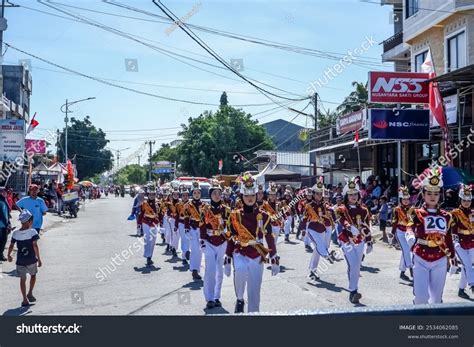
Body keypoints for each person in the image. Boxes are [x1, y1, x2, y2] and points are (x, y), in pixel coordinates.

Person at [224, 172, 278, 313]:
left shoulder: (264, 216)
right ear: (241, 196)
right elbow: (230, 236)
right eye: (246, 195)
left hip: (258, 252)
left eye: (252, 195)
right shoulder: (235, 215)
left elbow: (269, 237)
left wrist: (274, 258)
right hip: (240, 250)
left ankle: (254, 313)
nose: (249, 198)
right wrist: (227, 257)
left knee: (255, 289)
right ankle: (240, 298)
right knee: (240, 270)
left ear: (256, 196)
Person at [406, 168, 456, 304]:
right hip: (420, 256)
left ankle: (435, 324)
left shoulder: (447, 216)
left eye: (436, 193)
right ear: (423, 194)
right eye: (429, 193)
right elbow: (409, 225)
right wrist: (409, 234)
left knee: (436, 298)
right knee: (421, 298)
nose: (433, 196)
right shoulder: (417, 213)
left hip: (440, 258)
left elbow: (448, 238)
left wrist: (453, 257)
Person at [336, 178, 373, 304]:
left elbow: (367, 226)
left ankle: (353, 287)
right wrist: (348, 226)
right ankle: (353, 292)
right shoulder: (341, 208)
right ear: (347, 196)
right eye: (350, 194)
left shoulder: (364, 210)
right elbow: (341, 220)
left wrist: (369, 241)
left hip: (360, 240)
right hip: (347, 240)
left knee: (356, 266)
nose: (353, 196)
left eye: (355, 194)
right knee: (354, 265)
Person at [200, 180, 231, 309]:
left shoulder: (227, 210)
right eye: (214, 193)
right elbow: (202, 226)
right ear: (210, 194)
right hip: (209, 242)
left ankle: (217, 296)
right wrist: (202, 241)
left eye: (219, 193)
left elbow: (230, 227)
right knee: (210, 271)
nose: (217, 195)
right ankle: (210, 298)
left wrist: (229, 242)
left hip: (222, 242)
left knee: (220, 271)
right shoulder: (205, 209)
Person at [7, 210, 42, 307]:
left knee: (22, 279)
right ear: (30, 221)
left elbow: (11, 245)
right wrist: (39, 259)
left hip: (20, 261)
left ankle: (24, 299)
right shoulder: (33, 232)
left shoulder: (15, 233)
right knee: (33, 275)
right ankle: (30, 292)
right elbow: (35, 246)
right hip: (31, 260)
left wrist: (9, 255)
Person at [304, 182, 334, 281]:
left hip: (322, 229)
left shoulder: (325, 205)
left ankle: (313, 270)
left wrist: (332, 212)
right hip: (312, 228)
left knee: (317, 250)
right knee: (319, 244)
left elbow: (328, 215)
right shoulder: (308, 205)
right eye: (317, 193)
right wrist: (302, 229)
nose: (319, 196)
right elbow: (305, 217)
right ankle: (326, 255)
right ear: (313, 194)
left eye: (321, 194)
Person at [450, 184, 474, 299]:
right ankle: (472, 285)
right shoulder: (455, 213)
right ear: (460, 199)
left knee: (467, 267)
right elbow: (453, 230)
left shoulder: (473, 212)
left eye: (468, 200)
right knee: (468, 265)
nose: (466, 202)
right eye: (464, 200)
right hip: (459, 243)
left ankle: (461, 289)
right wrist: (455, 243)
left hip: (472, 243)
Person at [391, 186, 415, 281]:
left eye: (407, 199)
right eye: (404, 199)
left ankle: (402, 272)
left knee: (407, 252)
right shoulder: (396, 209)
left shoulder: (412, 209)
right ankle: (410, 268)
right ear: (401, 199)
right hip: (399, 231)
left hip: (409, 232)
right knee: (406, 250)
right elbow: (394, 221)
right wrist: (393, 234)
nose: (406, 201)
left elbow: (414, 221)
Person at [184, 181, 205, 280]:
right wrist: (187, 229)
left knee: (200, 250)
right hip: (192, 229)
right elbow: (186, 218)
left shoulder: (204, 205)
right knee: (194, 249)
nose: (197, 195)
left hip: (201, 229)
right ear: (192, 194)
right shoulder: (188, 205)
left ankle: (197, 269)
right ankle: (194, 270)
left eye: (198, 193)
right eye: (195, 193)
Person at [138, 187, 160, 266]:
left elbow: (160, 214)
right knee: (147, 239)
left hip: (154, 223)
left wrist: (162, 224)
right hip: (146, 222)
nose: (152, 196)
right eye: (150, 194)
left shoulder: (158, 203)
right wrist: (139, 224)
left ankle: (150, 256)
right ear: (148, 194)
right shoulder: (144, 203)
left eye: (153, 194)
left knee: (153, 241)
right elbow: (141, 214)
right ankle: (147, 256)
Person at [175, 187, 190, 266]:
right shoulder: (178, 205)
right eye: (183, 195)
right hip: (181, 223)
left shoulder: (191, 204)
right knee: (184, 240)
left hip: (190, 224)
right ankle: (184, 257)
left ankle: (187, 253)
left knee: (189, 241)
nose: (185, 197)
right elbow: (177, 216)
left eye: (186, 195)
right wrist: (176, 226)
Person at [0, 187, 12, 261]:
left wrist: (9, 222)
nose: (5, 193)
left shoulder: (4, 201)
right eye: (3, 191)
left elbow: (7, 214)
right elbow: (1, 215)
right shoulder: (1, 201)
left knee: (4, 240)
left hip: (4, 224)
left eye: (5, 192)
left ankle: (1, 254)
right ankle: (0, 255)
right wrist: (7, 223)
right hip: (1, 225)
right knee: (2, 240)